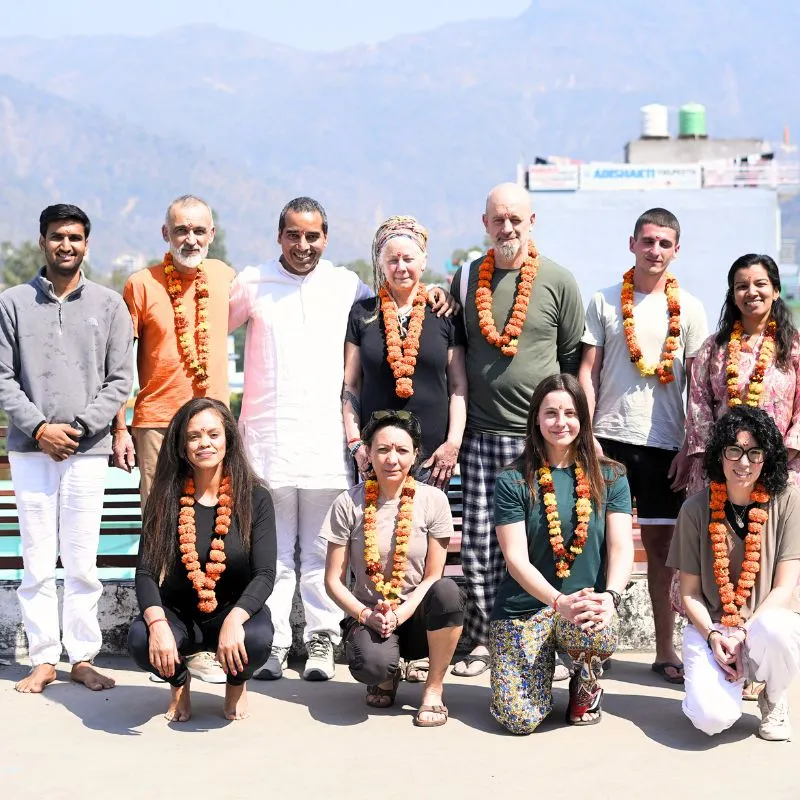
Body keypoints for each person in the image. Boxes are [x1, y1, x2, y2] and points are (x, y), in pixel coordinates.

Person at [229, 197, 455, 682]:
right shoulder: (251, 283)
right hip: (265, 441)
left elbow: (397, 300)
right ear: (279, 236)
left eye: (313, 236)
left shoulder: (344, 286)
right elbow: (208, 329)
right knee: (270, 555)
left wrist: (436, 290)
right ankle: (272, 642)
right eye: (294, 235)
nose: (303, 245)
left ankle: (320, 640)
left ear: (325, 239)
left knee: (317, 551)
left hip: (325, 444)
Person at [449, 182, 584, 677]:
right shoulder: (464, 280)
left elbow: (570, 363)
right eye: (497, 219)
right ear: (484, 224)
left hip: (541, 441)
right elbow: (454, 344)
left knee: (547, 541)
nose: (507, 228)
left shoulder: (559, 280)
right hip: (482, 437)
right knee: (482, 545)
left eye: (515, 219)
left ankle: (552, 636)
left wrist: (567, 430)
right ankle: (484, 638)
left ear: (532, 222)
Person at [0, 204, 133, 693]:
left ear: (86, 245)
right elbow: (2, 378)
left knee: (81, 559)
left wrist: (76, 429)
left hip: (88, 450)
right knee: (36, 557)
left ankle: (81, 656)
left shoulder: (109, 305)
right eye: (58, 236)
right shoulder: (12, 303)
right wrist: (40, 430)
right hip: (31, 450)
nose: (66, 245)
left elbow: (122, 380)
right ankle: (42, 659)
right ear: (42, 241)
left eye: (75, 237)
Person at [578, 207, 708, 685]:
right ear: (631, 243)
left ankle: (664, 648)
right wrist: (586, 434)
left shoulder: (689, 308)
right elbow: (586, 372)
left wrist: (689, 445)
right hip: (607, 442)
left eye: (664, 243)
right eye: (648, 241)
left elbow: (699, 384)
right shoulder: (604, 301)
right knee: (594, 545)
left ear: (677, 249)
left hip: (666, 446)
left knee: (662, 550)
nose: (655, 251)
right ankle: (590, 644)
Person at [116, 195, 236, 683]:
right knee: (163, 532)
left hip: (213, 427)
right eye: (180, 230)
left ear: (211, 234)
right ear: (165, 233)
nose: (190, 239)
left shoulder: (226, 278)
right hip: (156, 425)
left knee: (215, 531)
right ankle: (163, 634)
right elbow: (119, 364)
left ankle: (206, 640)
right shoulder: (140, 284)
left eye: (199, 231)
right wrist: (119, 425)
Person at [488, 374, 633, 733]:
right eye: (550, 413)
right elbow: (515, 560)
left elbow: (620, 545)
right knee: (518, 719)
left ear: (583, 419)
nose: (560, 422)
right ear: (536, 418)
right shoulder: (513, 479)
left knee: (595, 633)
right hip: (526, 607)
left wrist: (611, 597)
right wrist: (557, 602)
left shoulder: (611, 476)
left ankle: (585, 685)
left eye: (570, 413)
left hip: (584, 603)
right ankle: (534, 678)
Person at [128, 398, 276, 721]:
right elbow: (145, 573)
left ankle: (236, 685)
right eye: (194, 436)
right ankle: (179, 684)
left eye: (213, 434)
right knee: (141, 640)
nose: (204, 443)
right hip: (179, 613)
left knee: (258, 639)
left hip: (233, 612)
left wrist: (235, 620)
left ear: (228, 440)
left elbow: (265, 573)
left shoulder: (255, 497)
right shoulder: (165, 497)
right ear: (182, 447)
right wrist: (157, 624)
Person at [323, 410, 464, 726]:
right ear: (369, 453)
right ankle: (385, 675)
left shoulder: (433, 500)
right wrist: (365, 615)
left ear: (415, 455)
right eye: (382, 449)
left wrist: (403, 613)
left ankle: (433, 690)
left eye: (401, 450)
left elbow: (433, 575)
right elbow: (333, 580)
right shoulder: (349, 503)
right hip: (371, 616)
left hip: (416, 617)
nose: (391, 459)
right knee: (372, 666)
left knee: (448, 592)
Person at [667, 406, 800, 740]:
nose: (743, 463)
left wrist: (744, 632)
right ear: (720, 455)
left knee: (778, 630)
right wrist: (715, 636)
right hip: (713, 628)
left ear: (767, 457)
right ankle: (710, 689)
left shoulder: (788, 501)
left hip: (763, 626)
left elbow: (785, 588)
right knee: (711, 720)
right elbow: (689, 594)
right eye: (734, 450)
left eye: (754, 452)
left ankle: (772, 695)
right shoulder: (695, 508)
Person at [343, 215, 467, 491]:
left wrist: (453, 444)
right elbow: (351, 384)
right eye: (392, 260)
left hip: (433, 461)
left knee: (429, 532)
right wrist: (357, 446)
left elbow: (458, 386)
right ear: (381, 265)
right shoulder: (362, 314)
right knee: (376, 532)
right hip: (376, 458)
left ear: (423, 262)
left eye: (408, 259)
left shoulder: (444, 312)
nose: (401, 268)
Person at [686, 254, 800, 493]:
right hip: (723, 469)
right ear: (733, 295)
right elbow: (698, 405)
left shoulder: (794, 346)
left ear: (776, 290)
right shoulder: (713, 348)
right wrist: (724, 459)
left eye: (760, 284)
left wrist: (778, 456)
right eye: (742, 286)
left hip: (782, 468)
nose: (751, 292)